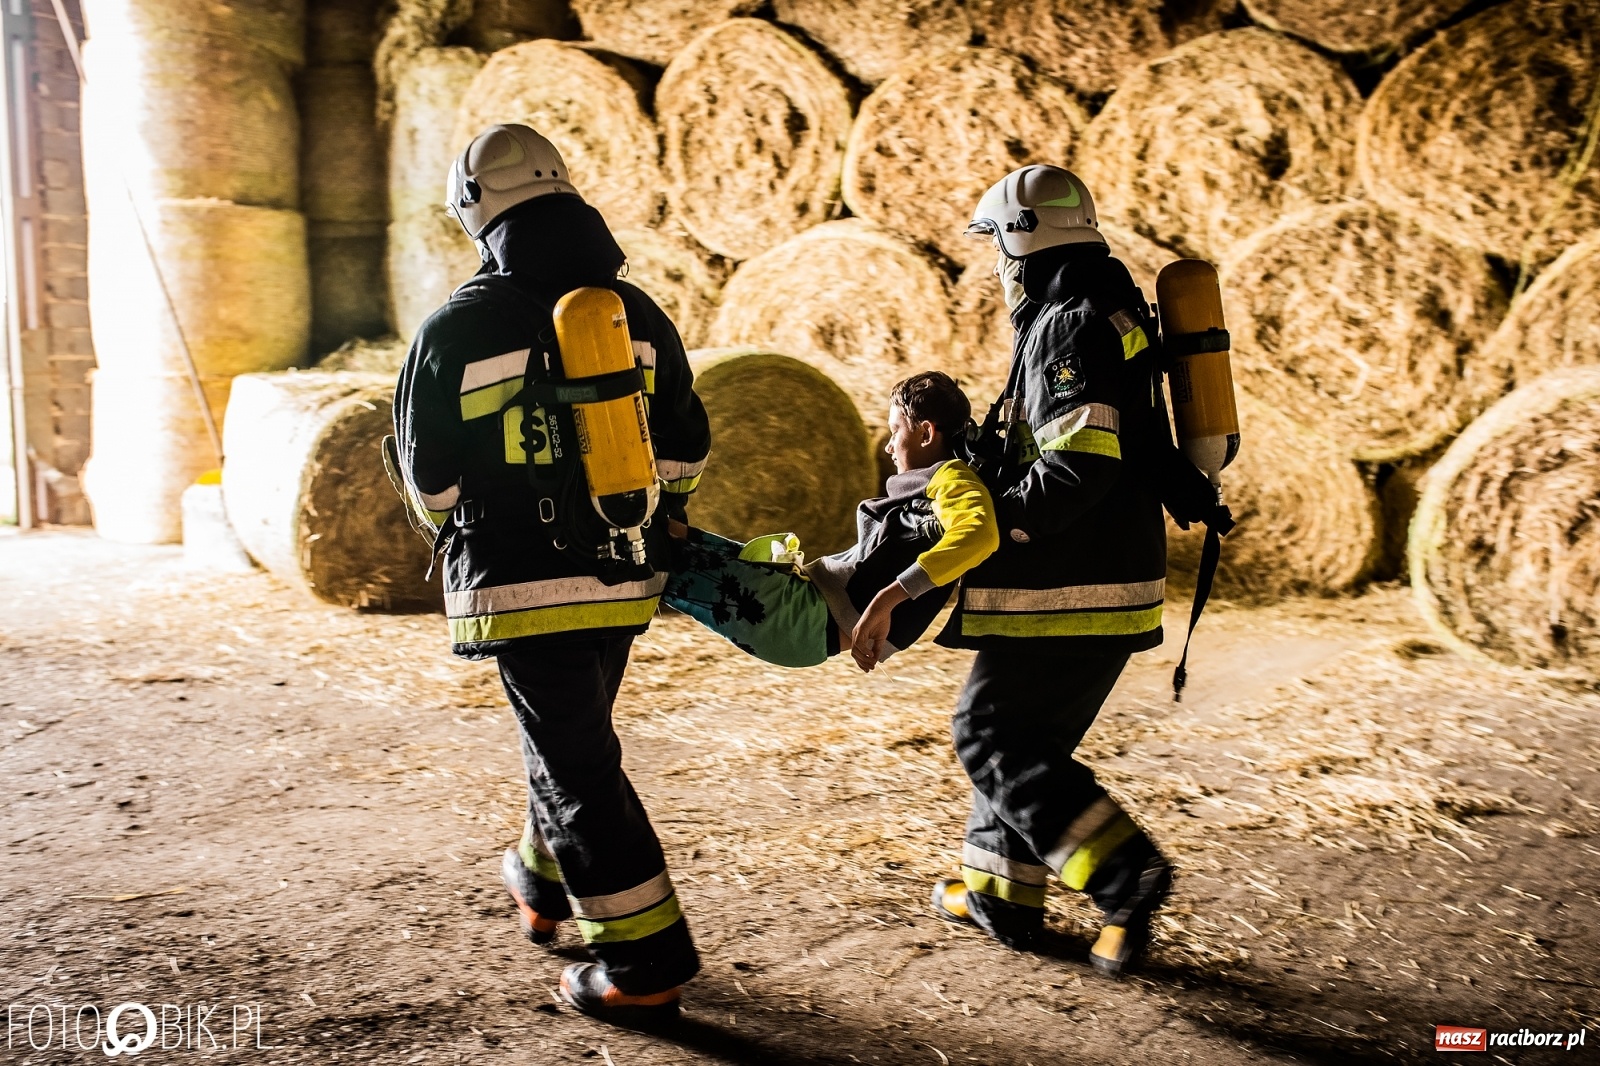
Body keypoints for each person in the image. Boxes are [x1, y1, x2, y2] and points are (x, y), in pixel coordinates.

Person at [392, 123, 712, 1026]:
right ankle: (542, 885)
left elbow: (431, 479)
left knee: (575, 761)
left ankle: (644, 969)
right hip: (624, 575)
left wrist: (462, 528)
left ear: (476, 212)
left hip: (520, 588)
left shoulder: (456, 327)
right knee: (572, 741)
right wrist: (661, 513)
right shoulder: (635, 313)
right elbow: (685, 445)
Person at [927, 165, 1177, 977]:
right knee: (1023, 739)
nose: (997, 268)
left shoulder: (1068, 323)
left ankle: (1122, 875)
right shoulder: (1108, 307)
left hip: (1074, 577)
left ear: (1020, 241)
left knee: (989, 731)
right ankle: (1001, 892)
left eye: (997, 248)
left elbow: (1079, 464)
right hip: (1111, 569)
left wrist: (999, 524)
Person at [662, 371, 998, 672]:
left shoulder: (953, 477)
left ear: (926, 434)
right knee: (679, 538)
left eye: (896, 431)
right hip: (802, 606)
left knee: (658, 554)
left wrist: (888, 598)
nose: (888, 446)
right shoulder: (930, 482)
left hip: (804, 619)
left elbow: (980, 534)